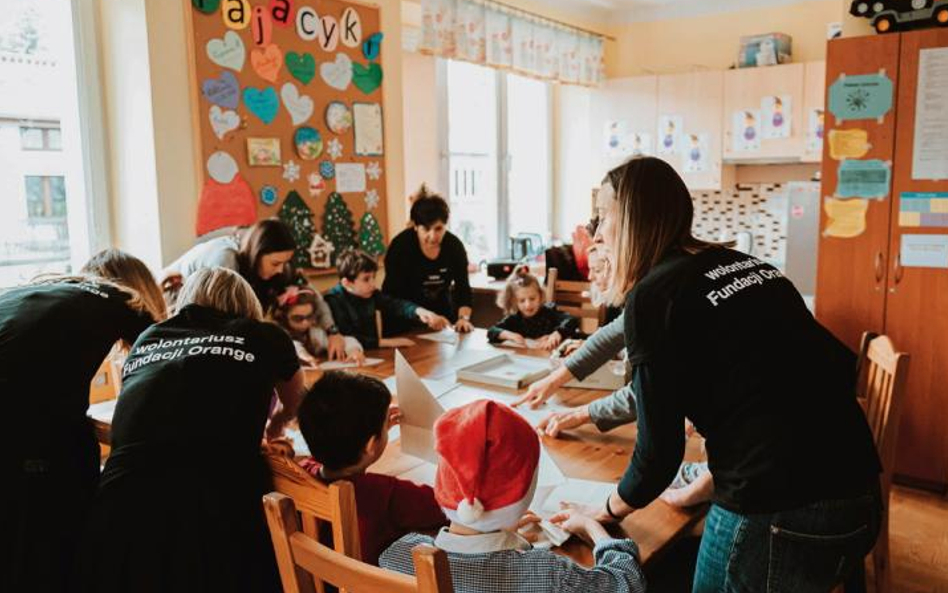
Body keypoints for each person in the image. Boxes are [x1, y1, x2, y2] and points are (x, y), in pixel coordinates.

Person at [566, 156, 883, 592]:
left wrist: (605, 509)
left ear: (635, 219)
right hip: (859, 498)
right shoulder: (743, 264)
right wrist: (710, 482)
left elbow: (658, 454)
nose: (597, 232)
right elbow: (798, 389)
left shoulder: (653, 296)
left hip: (782, 517)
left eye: (604, 216)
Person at [81, 267, 305, 593]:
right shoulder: (265, 335)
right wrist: (276, 424)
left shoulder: (150, 336)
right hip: (212, 506)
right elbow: (297, 401)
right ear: (247, 307)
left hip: (120, 504)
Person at [0, 249, 166, 593]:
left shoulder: (48, 287)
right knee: (67, 501)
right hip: (23, 437)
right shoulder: (124, 300)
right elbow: (164, 359)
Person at [379, 399, 646, 593]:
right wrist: (593, 528)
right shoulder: (546, 575)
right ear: (524, 491)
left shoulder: (395, 557)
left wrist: (505, 537)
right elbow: (627, 583)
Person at [296, 371, 447, 564]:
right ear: (370, 445)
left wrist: (377, 428)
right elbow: (443, 507)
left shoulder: (303, 471)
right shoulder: (385, 493)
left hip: (318, 577)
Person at [382, 185, 474, 333]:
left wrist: (463, 318)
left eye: (438, 229)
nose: (433, 236)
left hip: (442, 323)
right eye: (426, 229)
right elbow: (390, 298)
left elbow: (463, 290)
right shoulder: (400, 247)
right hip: (403, 324)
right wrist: (422, 314)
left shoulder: (454, 247)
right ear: (415, 226)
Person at [325, 249, 450, 350]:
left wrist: (421, 312)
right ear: (347, 283)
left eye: (374, 277)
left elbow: (395, 305)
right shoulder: (333, 300)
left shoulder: (371, 293)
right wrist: (387, 342)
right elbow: (347, 336)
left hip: (370, 354)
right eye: (366, 279)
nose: (373, 284)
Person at [487, 266, 579, 350]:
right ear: (514, 301)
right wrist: (511, 335)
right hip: (528, 359)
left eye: (532, 299)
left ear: (540, 295)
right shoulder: (515, 319)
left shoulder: (548, 313)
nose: (528, 305)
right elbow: (491, 331)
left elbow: (572, 320)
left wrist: (557, 333)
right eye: (522, 301)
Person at [272, 285, 364, 367]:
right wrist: (305, 356)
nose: (305, 322)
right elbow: (292, 346)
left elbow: (347, 340)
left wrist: (353, 350)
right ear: (283, 317)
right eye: (298, 318)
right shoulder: (278, 334)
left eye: (309, 316)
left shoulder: (315, 333)